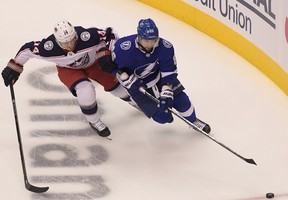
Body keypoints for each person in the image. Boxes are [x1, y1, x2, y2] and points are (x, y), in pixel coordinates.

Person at [1, 20, 133, 138]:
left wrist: (106, 52)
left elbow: (110, 33)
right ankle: (94, 121)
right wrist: (14, 67)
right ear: (58, 41)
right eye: (65, 42)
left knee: (119, 89)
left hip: (94, 63)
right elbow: (27, 49)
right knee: (85, 91)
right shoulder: (48, 48)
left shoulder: (86, 36)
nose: (70, 45)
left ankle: (135, 102)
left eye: (72, 39)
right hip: (68, 70)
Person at [110, 18, 211, 133]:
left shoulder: (165, 47)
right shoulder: (123, 49)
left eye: (153, 40)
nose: (150, 44)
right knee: (163, 118)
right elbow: (113, 66)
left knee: (183, 102)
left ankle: (193, 121)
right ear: (138, 37)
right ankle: (162, 115)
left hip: (158, 79)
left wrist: (166, 89)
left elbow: (169, 71)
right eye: (146, 40)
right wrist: (123, 78)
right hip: (137, 86)